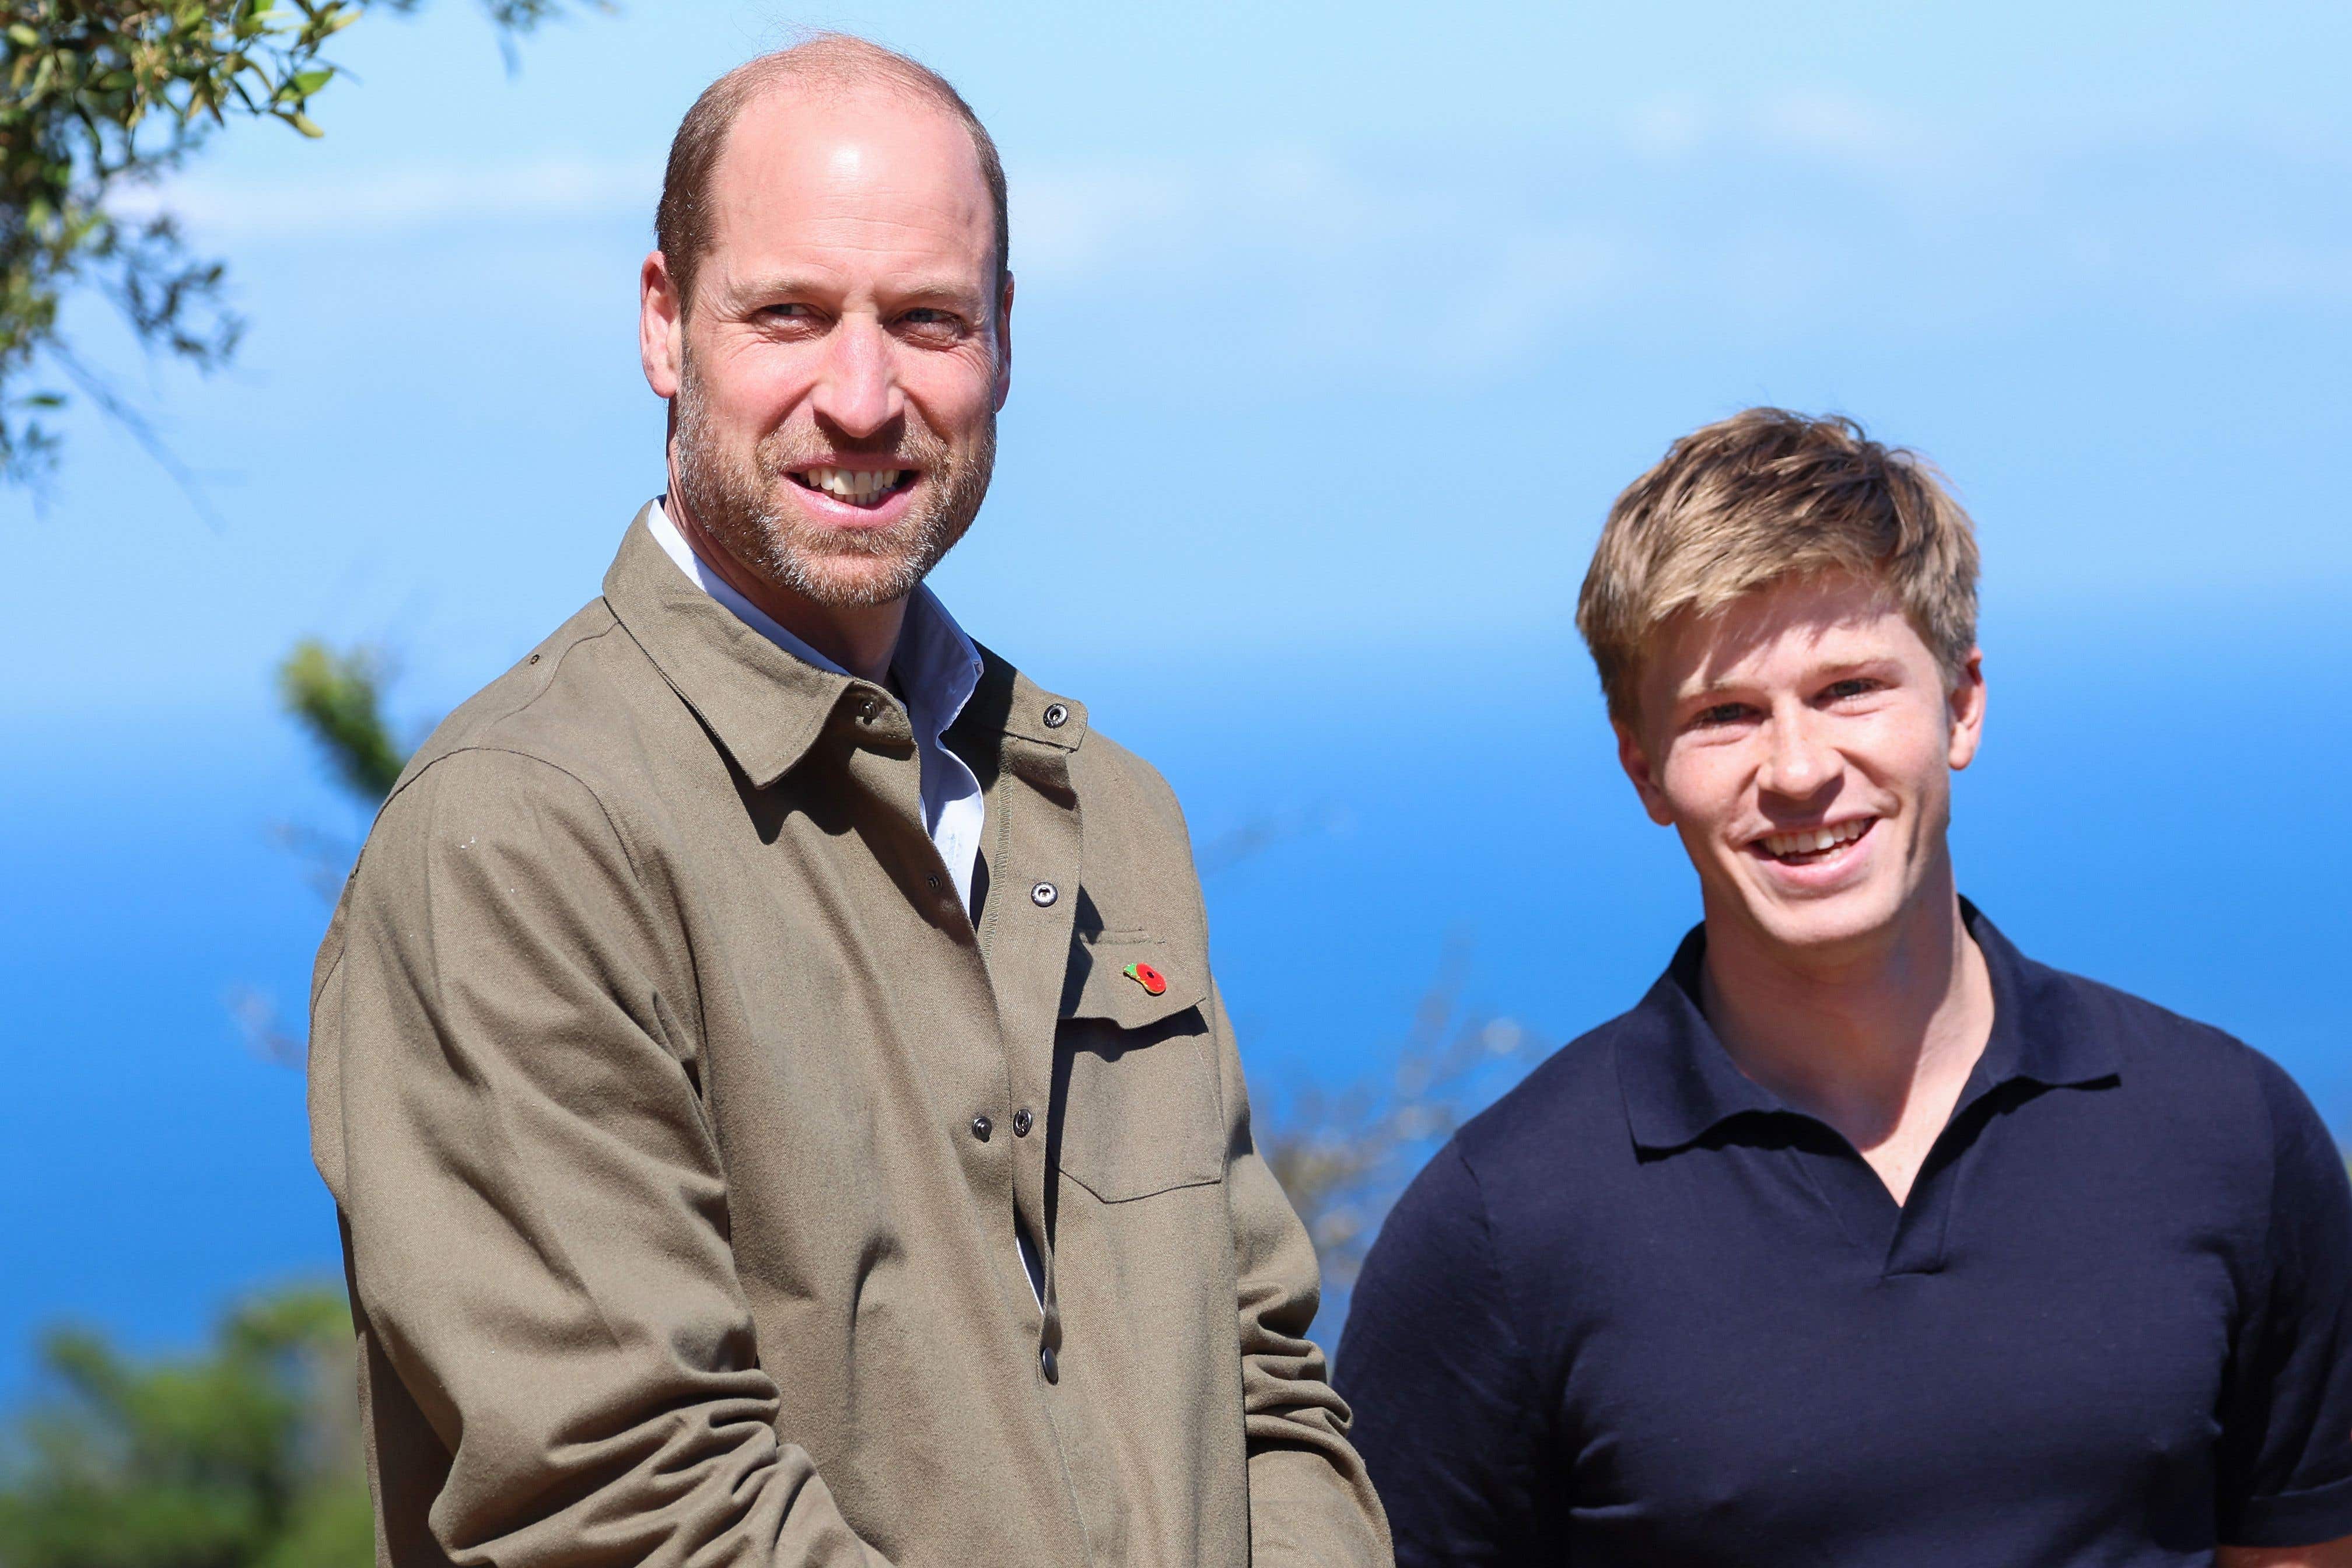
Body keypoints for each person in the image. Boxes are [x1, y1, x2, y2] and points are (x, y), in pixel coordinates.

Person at [307, 34, 1387, 1568]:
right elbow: (624, 1505)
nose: (865, 396)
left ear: (1005, 342)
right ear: (666, 325)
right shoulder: (522, 837)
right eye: (792, 315)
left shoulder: (1104, 813)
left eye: (929, 319)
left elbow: (1264, 1387)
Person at [1336, 408, 2352, 1566]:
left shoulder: (2223, 1132)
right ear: (1642, 767)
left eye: (1851, 689)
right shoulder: (1504, 1227)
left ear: (1962, 705)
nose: (1802, 770)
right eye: (1725, 714)